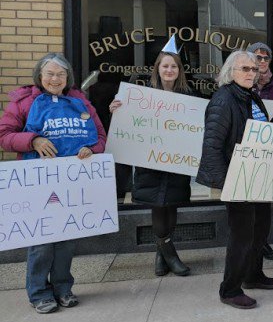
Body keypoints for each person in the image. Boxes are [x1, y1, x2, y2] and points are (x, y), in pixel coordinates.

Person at [0, 53, 107, 314]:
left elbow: (101, 136)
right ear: (40, 76)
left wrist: (92, 149)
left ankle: (63, 288)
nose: (55, 79)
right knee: (42, 241)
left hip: (71, 183)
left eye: (60, 74)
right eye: (49, 73)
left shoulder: (79, 102)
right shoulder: (24, 102)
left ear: (68, 78)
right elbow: (4, 135)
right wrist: (33, 141)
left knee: (67, 239)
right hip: (38, 182)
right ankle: (38, 293)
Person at [196, 51, 273, 310]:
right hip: (238, 177)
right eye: (244, 68)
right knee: (242, 235)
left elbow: (254, 129)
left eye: (254, 69)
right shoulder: (224, 99)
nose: (250, 73)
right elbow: (212, 145)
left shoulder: (250, 95)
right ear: (230, 71)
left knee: (259, 229)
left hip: (258, 174)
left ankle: (253, 275)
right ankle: (230, 289)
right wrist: (225, 183)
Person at [109, 42, 197, 276]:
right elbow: (127, 124)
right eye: (165, 66)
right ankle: (171, 255)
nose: (169, 70)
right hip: (151, 162)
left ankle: (161, 255)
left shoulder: (189, 97)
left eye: (174, 67)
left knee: (172, 206)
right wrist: (117, 110)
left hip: (177, 162)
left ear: (179, 70)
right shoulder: (141, 96)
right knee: (158, 206)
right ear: (157, 68)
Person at [246, 41, 273, 261]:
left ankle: (262, 242)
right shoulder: (241, 85)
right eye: (257, 57)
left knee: (264, 203)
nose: (261, 61)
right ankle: (250, 244)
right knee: (247, 205)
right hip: (246, 153)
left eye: (265, 58)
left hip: (270, 153)